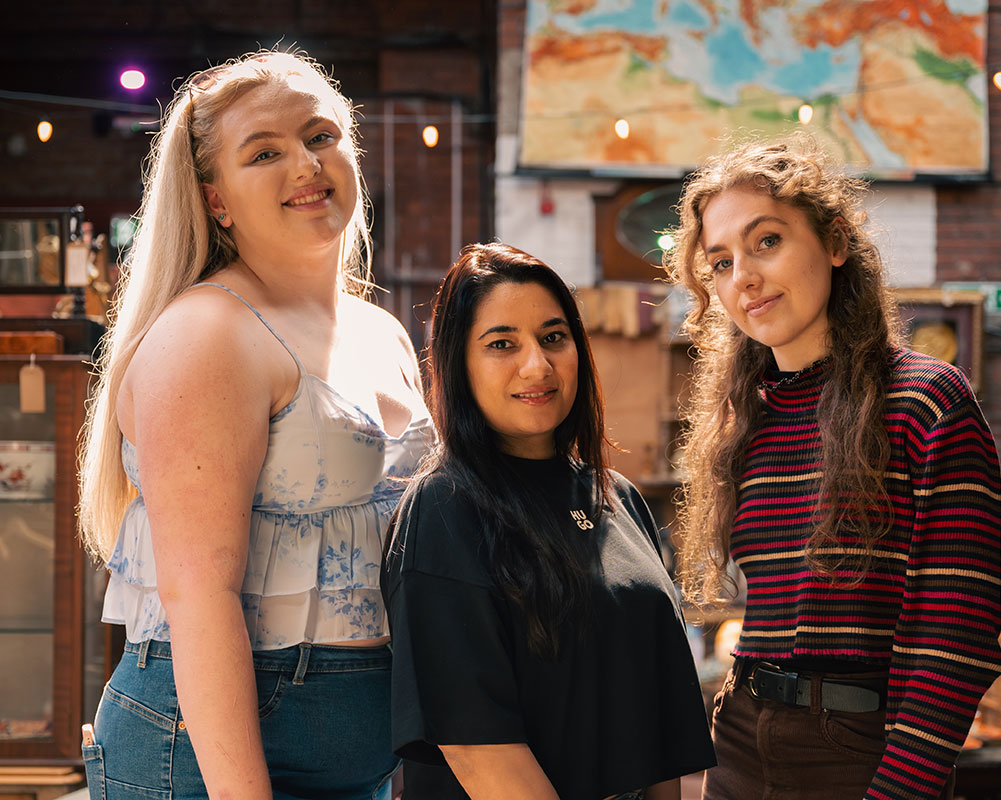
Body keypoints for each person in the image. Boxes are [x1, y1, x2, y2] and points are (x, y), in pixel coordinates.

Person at [77, 51, 434, 800]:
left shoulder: (382, 330)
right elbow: (198, 596)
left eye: (321, 136)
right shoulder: (209, 332)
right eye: (264, 152)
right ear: (217, 201)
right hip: (210, 748)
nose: (305, 164)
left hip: (364, 745)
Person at [664, 134, 1001, 800]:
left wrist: (900, 788)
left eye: (767, 241)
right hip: (739, 740)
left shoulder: (926, 401)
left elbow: (955, 638)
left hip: (858, 752)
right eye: (721, 262)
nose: (744, 278)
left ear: (836, 242)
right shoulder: (746, 419)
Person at [381, 242, 716, 800]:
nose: (537, 365)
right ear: (458, 365)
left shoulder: (618, 497)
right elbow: (476, 747)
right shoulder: (444, 511)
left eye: (553, 338)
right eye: (502, 344)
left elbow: (661, 721)